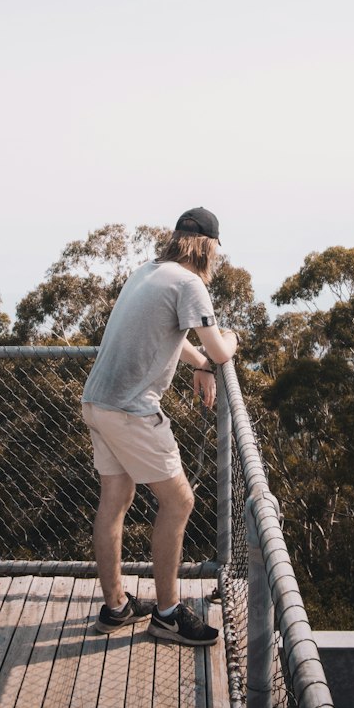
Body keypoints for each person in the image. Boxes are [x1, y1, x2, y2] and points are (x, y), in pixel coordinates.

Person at [81, 207, 239, 647]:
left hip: (97, 402)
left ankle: (116, 608)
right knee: (179, 502)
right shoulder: (191, 284)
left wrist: (201, 363)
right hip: (131, 411)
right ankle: (168, 615)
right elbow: (220, 349)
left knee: (115, 498)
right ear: (208, 248)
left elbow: (179, 341)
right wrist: (231, 342)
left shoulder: (148, 271)